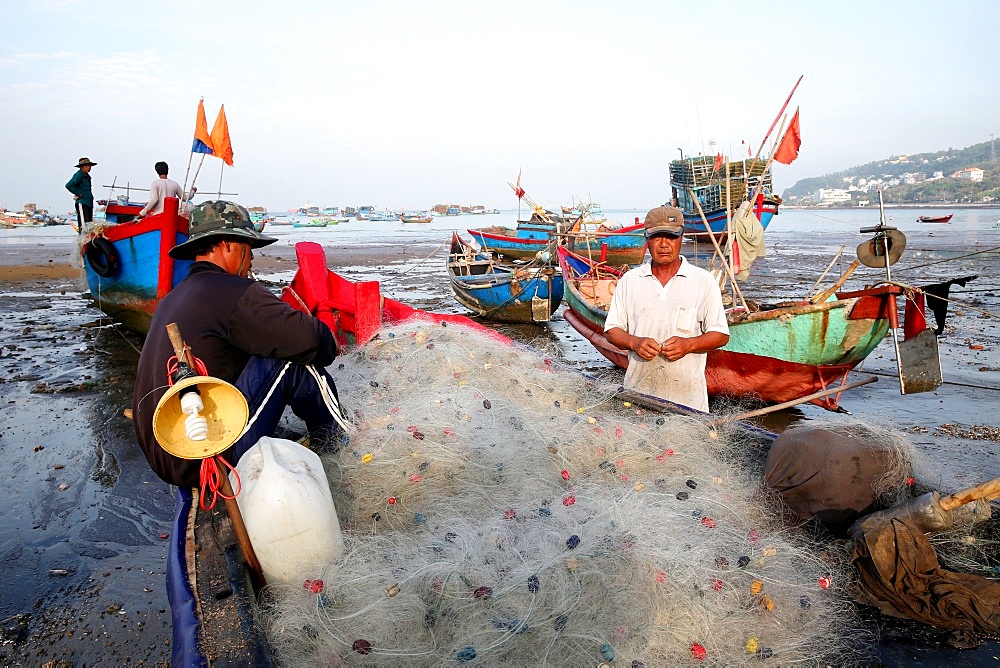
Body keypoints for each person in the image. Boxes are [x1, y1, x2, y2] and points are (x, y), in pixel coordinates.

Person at [132, 200, 350, 488]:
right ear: (228, 245)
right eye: (249, 248)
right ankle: (337, 445)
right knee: (292, 362)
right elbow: (311, 339)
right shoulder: (232, 291)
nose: (251, 260)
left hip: (169, 454)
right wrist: (329, 343)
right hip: (205, 458)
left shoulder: (174, 297)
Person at [604, 206, 730, 412]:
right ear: (647, 239)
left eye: (671, 237)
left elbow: (721, 335)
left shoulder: (703, 281)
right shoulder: (630, 281)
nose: (664, 244)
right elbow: (612, 330)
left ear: (681, 237)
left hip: (689, 403)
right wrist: (634, 342)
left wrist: (688, 344)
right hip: (638, 399)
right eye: (656, 237)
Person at [66, 157, 96, 231]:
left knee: (89, 224)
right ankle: (83, 240)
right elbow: (69, 185)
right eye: (86, 166)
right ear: (82, 167)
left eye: (89, 166)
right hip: (82, 203)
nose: (89, 168)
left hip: (88, 203)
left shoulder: (87, 176)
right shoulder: (79, 175)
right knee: (84, 225)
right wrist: (79, 194)